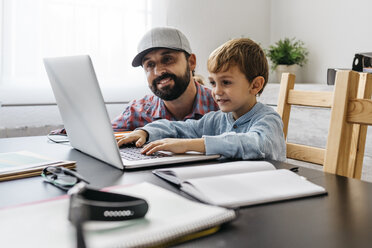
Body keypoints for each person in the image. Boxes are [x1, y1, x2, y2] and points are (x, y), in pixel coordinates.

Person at [117, 38, 286, 161]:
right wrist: (145, 132)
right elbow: (179, 128)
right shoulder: (217, 118)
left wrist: (192, 144)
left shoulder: (269, 119)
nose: (217, 91)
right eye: (213, 83)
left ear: (255, 85)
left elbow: (257, 144)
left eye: (226, 82)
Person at [111, 27, 219, 131]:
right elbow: (101, 141)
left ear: (191, 62)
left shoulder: (221, 106)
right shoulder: (136, 112)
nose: (158, 71)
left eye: (167, 59)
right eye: (150, 64)